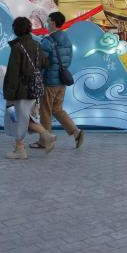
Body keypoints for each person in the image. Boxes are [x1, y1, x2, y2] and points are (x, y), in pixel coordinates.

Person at [2, 16, 56, 159]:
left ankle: (20, 150)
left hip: (18, 92)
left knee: (15, 119)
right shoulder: (37, 45)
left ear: (16, 29)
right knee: (26, 119)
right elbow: (45, 63)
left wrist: (9, 93)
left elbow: (13, 73)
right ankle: (46, 136)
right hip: (33, 90)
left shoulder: (17, 47)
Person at [31, 11, 84, 150]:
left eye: (48, 21)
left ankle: (45, 141)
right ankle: (76, 132)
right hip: (61, 81)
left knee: (45, 112)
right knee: (57, 109)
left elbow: (41, 63)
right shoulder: (66, 39)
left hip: (49, 82)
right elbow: (68, 60)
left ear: (53, 23)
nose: (47, 23)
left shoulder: (47, 41)